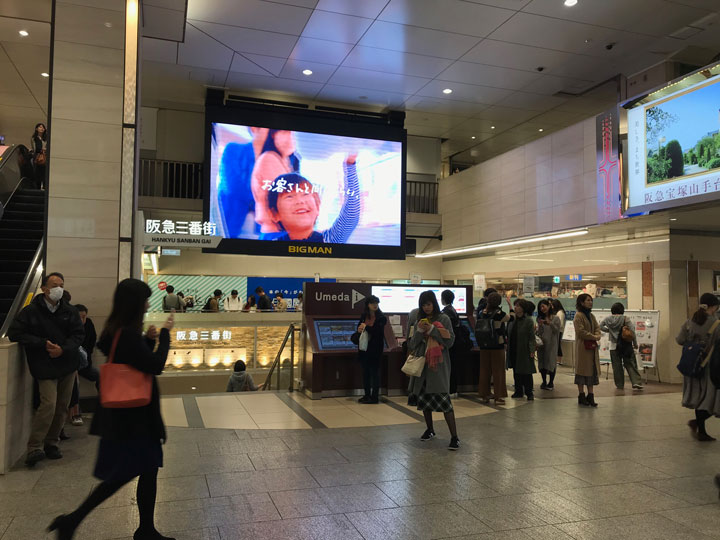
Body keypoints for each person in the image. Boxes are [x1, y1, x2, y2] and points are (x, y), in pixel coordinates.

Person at [48, 278, 175, 540]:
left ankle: (145, 529)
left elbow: (134, 361)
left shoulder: (115, 330)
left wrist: (146, 341)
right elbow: (154, 366)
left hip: (128, 415)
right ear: (134, 304)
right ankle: (72, 520)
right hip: (135, 418)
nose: (148, 304)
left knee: (146, 469)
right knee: (124, 474)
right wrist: (164, 335)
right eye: (145, 300)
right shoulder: (127, 334)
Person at [8, 272, 84, 467]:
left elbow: (78, 335)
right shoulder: (31, 311)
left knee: (62, 405)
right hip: (44, 364)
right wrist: (42, 343)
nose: (59, 288)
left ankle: (52, 443)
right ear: (44, 289)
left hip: (67, 363)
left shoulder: (69, 311)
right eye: (54, 284)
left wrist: (63, 349)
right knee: (48, 403)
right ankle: (35, 447)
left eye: (62, 284)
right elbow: (16, 333)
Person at [266, 154, 360, 243]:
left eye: (306, 194)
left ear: (317, 206)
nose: (300, 201)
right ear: (275, 214)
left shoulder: (328, 240)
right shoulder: (272, 248)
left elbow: (351, 215)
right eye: (290, 196)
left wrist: (350, 164)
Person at [407, 291, 459, 450]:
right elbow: (412, 344)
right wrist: (420, 331)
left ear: (434, 303)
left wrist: (431, 330)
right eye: (423, 305)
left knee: (444, 402)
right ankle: (429, 429)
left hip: (438, 366)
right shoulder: (418, 321)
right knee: (424, 401)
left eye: (429, 304)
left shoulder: (443, 319)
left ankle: (454, 437)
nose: (426, 307)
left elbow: (450, 342)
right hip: (423, 366)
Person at [676, 293, 720, 441]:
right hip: (708, 366)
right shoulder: (716, 324)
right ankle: (697, 425)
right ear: (713, 307)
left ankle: (700, 429)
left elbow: (680, 340)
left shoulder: (689, 322)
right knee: (708, 397)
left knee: (697, 397)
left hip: (691, 365)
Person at [251, 129, 301, 235]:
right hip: (275, 233)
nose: (291, 137)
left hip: (280, 232)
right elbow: (282, 201)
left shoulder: (285, 161)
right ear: (273, 134)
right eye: (286, 131)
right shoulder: (269, 158)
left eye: (294, 133)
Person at [68, 304, 99, 427]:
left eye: (84, 317)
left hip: (84, 363)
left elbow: (91, 343)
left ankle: (105, 406)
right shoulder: (69, 326)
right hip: (70, 365)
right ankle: (76, 413)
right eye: (79, 317)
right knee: (74, 382)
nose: (82, 320)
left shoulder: (89, 324)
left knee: (101, 377)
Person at [600, 303, 643, 390]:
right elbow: (632, 331)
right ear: (622, 310)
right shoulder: (625, 319)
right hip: (625, 345)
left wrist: (609, 331)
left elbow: (600, 326)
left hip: (613, 346)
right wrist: (635, 343)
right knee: (630, 363)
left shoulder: (608, 319)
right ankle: (636, 382)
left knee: (617, 366)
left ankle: (619, 385)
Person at [476, 292, 509, 404]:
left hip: (484, 345)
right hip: (497, 345)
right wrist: (511, 307)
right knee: (498, 371)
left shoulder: (481, 313)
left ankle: (484, 394)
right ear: (499, 302)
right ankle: (498, 396)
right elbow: (510, 318)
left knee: (484, 370)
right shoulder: (500, 314)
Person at [356, 295, 387, 404]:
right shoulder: (364, 315)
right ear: (368, 305)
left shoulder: (381, 317)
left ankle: (374, 397)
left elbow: (377, 332)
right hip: (364, 348)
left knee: (374, 373)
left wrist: (366, 327)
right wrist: (360, 328)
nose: (375, 305)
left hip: (375, 349)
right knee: (365, 373)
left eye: (376, 303)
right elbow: (359, 327)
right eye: (372, 303)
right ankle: (366, 395)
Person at [573, 293, 601, 407]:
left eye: (591, 300)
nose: (590, 302)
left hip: (592, 348)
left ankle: (591, 395)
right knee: (582, 371)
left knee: (591, 371)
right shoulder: (578, 316)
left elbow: (597, 328)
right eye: (588, 300)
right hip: (583, 348)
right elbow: (580, 332)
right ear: (582, 302)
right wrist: (594, 336)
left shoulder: (591, 316)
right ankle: (581, 395)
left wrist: (597, 335)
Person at [508, 299, 537, 401]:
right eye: (515, 305)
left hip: (524, 349)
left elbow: (531, 337)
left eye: (518, 306)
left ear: (523, 308)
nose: (516, 307)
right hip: (514, 348)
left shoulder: (528, 320)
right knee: (516, 371)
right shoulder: (513, 319)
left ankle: (529, 392)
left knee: (526, 372)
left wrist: (532, 350)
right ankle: (518, 390)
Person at [536, 299, 561, 391]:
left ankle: (551, 382)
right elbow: (539, 331)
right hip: (542, 343)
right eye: (540, 307)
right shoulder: (539, 318)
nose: (542, 309)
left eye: (543, 306)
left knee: (551, 362)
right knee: (542, 362)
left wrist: (549, 323)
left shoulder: (556, 318)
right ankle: (544, 381)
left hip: (552, 343)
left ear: (549, 306)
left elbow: (557, 330)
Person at [440, 289, 461, 396]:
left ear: (443, 299)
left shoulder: (445, 313)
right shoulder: (453, 310)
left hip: (449, 344)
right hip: (456, 343)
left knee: (449, 366)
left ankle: (451, 389)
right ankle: (453, 389)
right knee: (454, 366)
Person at [31, 122, 47, 189]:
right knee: (37, 173)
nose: (42, 128)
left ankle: (45, 187)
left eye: (43, 127)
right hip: (37, 157)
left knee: (45, 173)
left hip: (45, 157)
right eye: (40, 127)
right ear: (36, 129)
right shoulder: (34, 138)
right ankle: (37, 187)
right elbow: (34, 148)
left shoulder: (46, 138)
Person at [551, 299, 566, 364]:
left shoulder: (560, 313)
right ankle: (557, 359)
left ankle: (559, 360)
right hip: (557, 330)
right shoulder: (558, 312)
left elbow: (561, 324)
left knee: (558, 345)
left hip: (559, 331)